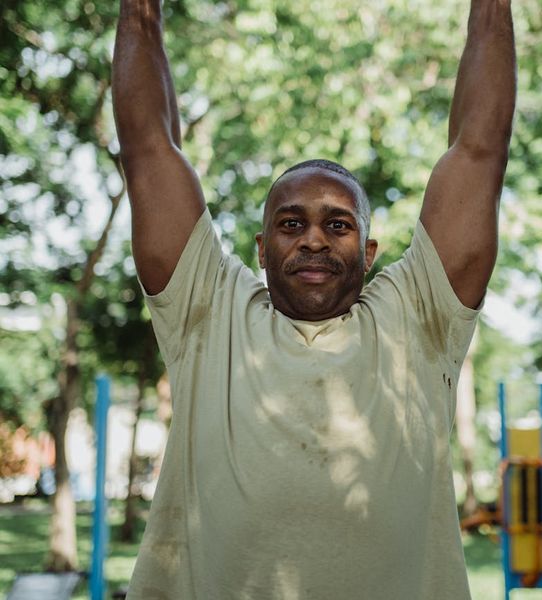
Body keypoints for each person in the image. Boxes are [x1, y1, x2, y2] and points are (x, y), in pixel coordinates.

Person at [113, 0, 516, 598]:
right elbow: (148, 146)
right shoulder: (209, 311)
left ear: (370, 250)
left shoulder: (418, 316)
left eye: (338, 224)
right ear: (261, 247)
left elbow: (479, 150)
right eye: (291, 223)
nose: (314, 239)